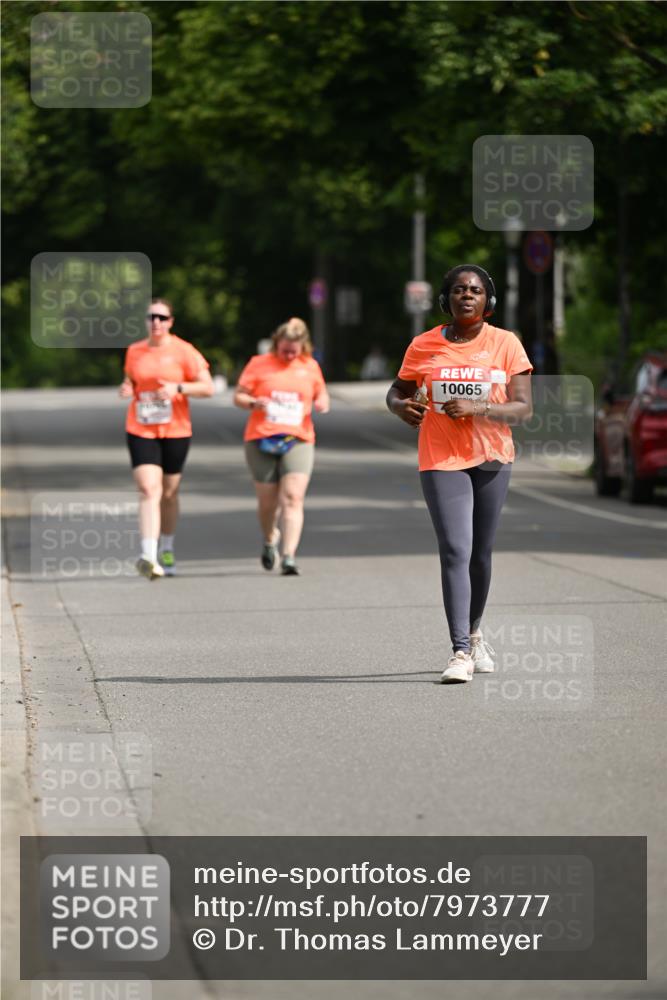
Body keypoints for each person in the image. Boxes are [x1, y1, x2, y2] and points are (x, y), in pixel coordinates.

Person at [387, 265, 533, 683]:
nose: (466, 295)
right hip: (440, 458)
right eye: (458, 290)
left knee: (480, 554)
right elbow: (397, 390)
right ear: (446, 299)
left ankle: (474, 629)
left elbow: (523, 409)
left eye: (475, 290)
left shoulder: (506, 344)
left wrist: (480, 408)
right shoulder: (424, 344)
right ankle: (460, 651)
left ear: (488, 302)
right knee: (455, 548)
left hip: (491, 458)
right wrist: (401, 407)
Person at [119, 297, 213, 579]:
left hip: (176, 428)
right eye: (151, 317)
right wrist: (126, 386)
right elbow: (132, 380)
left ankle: (167, 547)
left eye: (161, 317)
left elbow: (208, 387)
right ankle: (147, 554)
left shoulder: (185, 351)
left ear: (171, 322)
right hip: (141, 427)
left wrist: (178, 388)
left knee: (169, 494)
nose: (156, 322)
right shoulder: (134, 350)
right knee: (149, 489)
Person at [234, 317, 330, 576]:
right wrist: (254, 403)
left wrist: (322, 402)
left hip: (298, 439)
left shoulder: (309, 366)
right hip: (261, 438)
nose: (289, 354)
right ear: (276, 344)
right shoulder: (259, 364)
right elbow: (239, 396)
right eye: (285, 349)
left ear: (302, 347)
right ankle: (269, 539)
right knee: (267, 503)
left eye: (294, 350)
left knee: (293, 497)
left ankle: (289, 555)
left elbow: (322, 393)